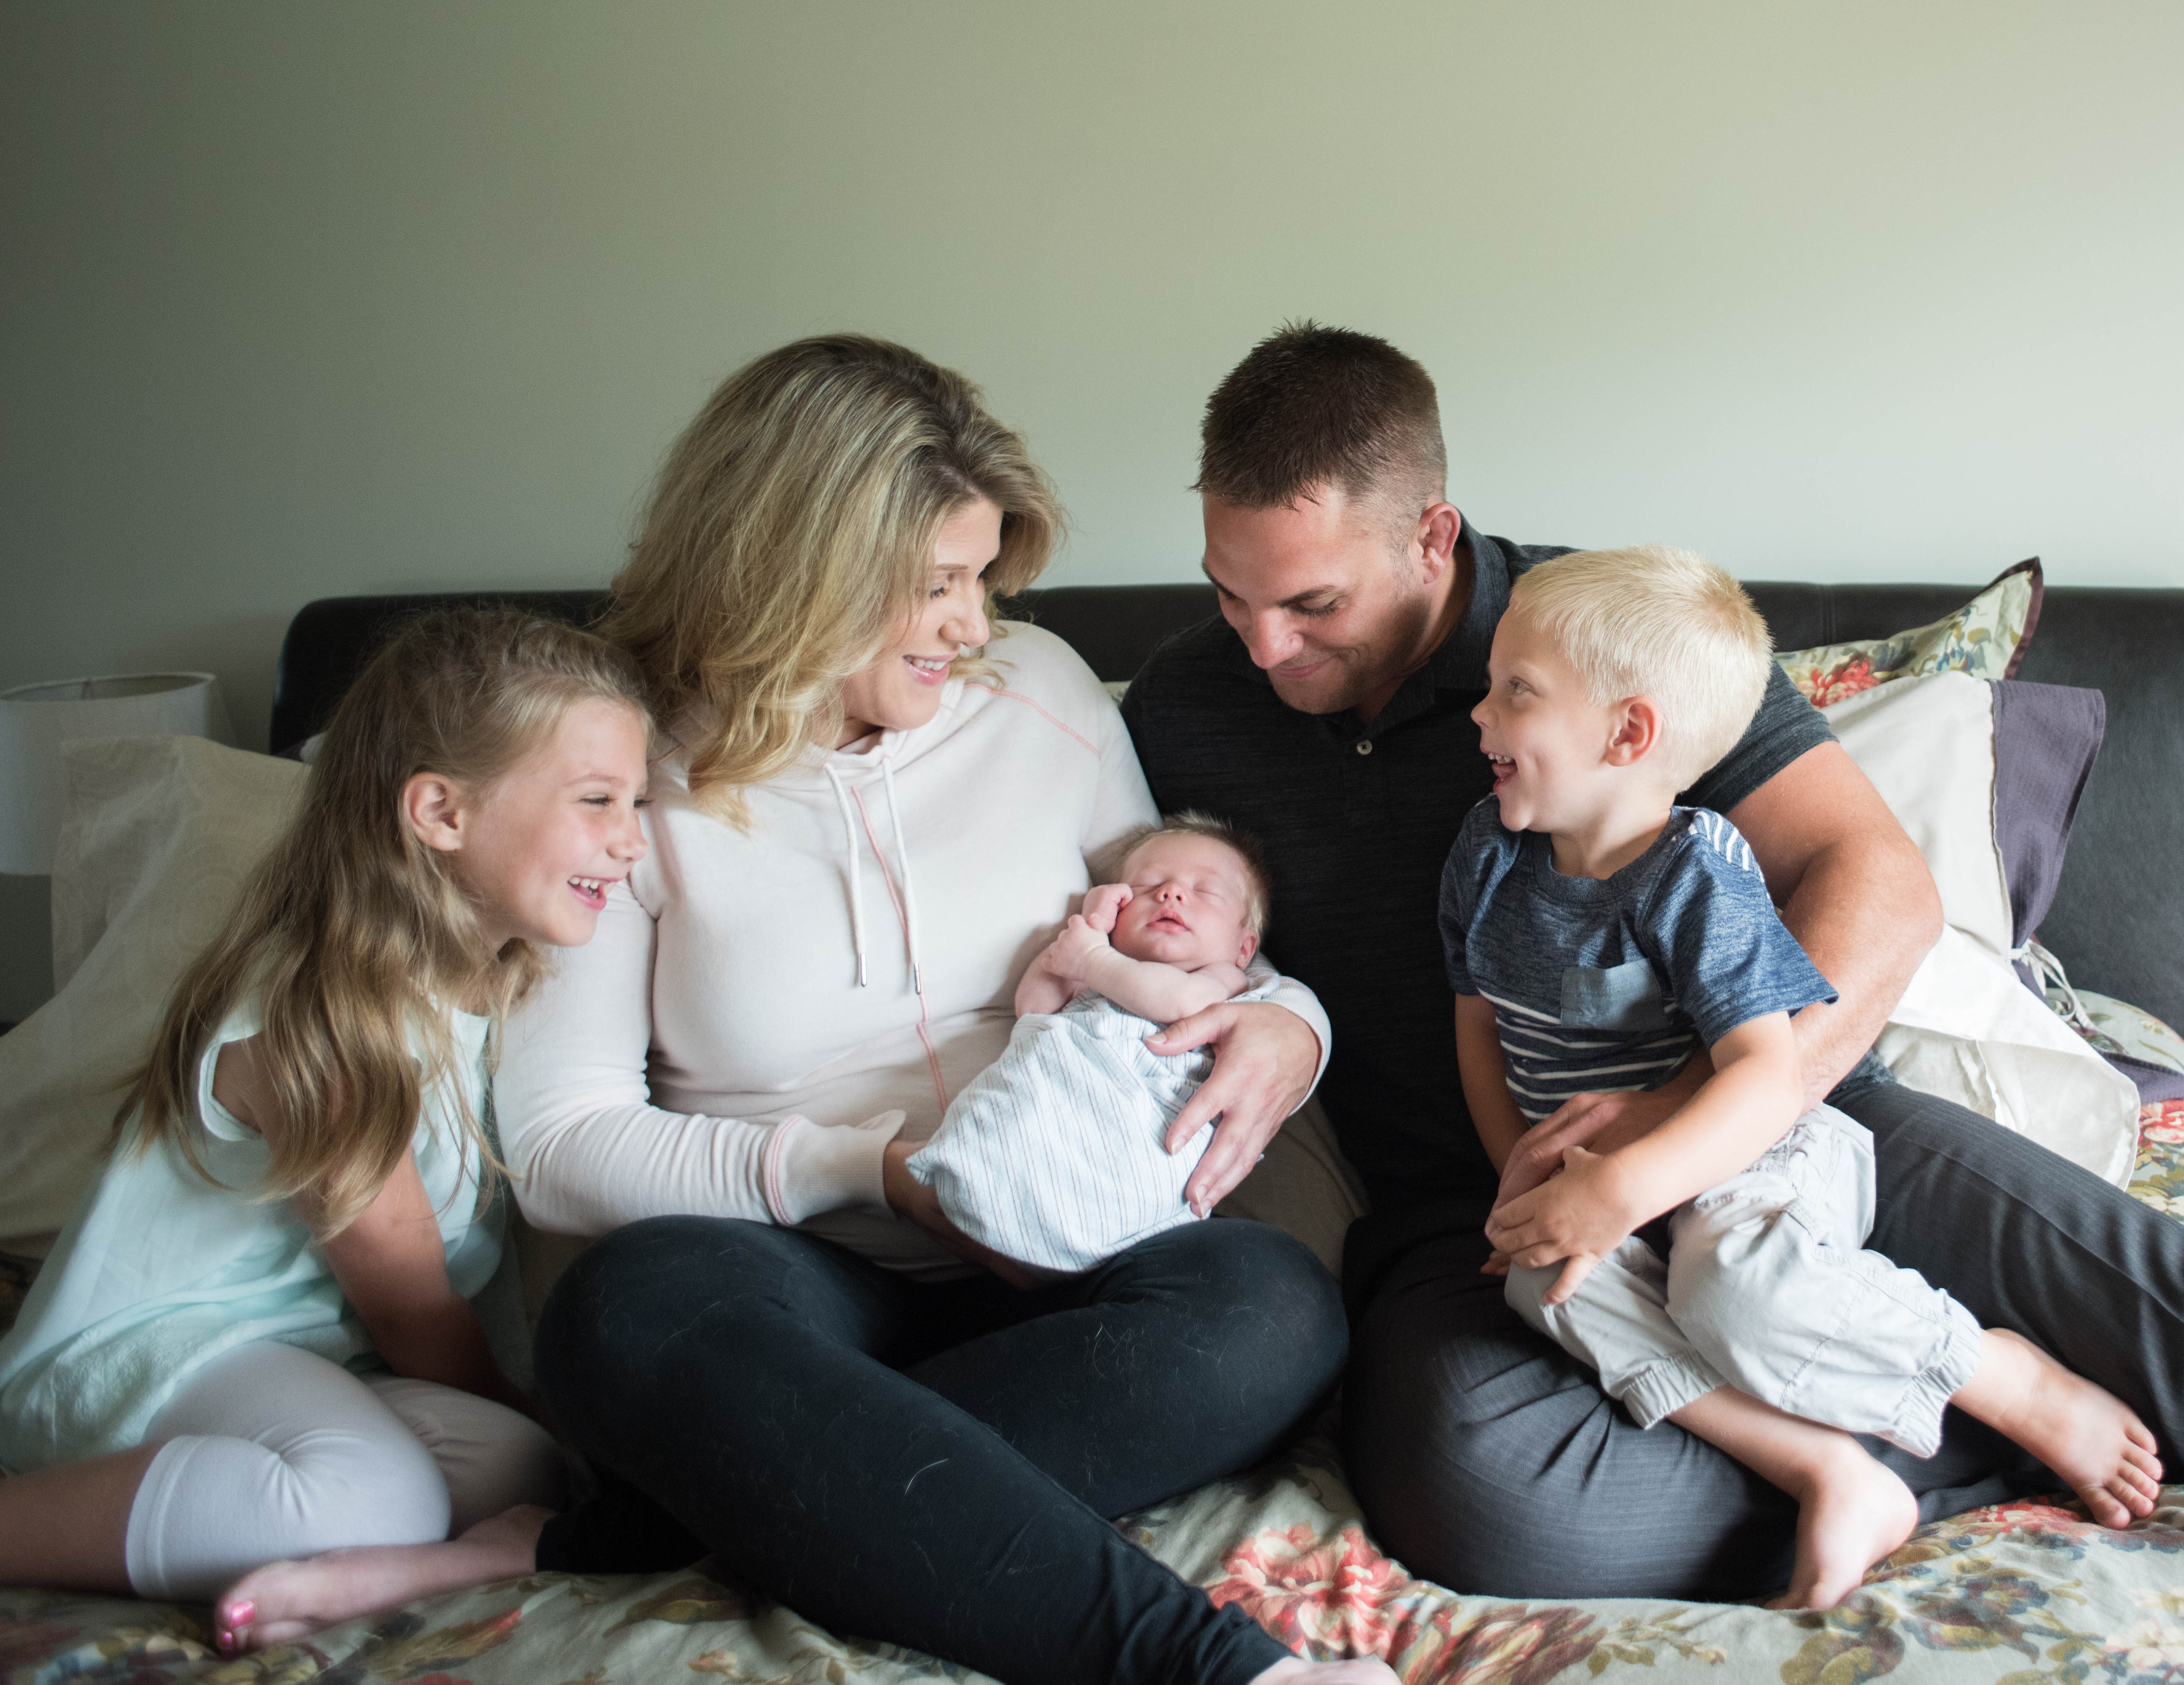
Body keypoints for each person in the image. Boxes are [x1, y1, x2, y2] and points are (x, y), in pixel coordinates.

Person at [1121, 323, 2184, 1685]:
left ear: (1429, 532)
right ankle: (1932, 1429)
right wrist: (1273, 1006)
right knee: (1483, 1492)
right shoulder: (1186, 705)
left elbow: (1876, 885)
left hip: (1796, 1125)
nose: (1262, 646)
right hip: (1481, 1201)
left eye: (1311, 602)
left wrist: (1692, 1130)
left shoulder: (1605, 638)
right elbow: (1130, 910)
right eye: (1227, 593)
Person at [224, 339, 1393, 1685]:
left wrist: (1292, 1020)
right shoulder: (619, 766)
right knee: (624, 1313)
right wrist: (871, 1172)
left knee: (1273, 1307)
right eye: (938, 585)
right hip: (785, 1286)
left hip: (1061, 1261)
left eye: (983, 579)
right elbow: (557, 1143)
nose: (974, 625)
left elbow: (1189, 916)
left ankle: (616, 1533)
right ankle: (1221, 1673)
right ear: (798, 574)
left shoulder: (1042, 692)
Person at [1446, 546, 2161, 1609]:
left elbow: (1765, 1075)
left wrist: (1626, 1186)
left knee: (1732, 1284)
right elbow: (1476, 1027)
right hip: (1604, 1183)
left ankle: (1995, 1372)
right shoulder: (1487, 852)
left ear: (1627, 733)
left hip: (1755, 1148)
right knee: (1538, 1281)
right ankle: (1828, 1468)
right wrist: (1527, 1180)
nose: (1478, 713)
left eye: (1514, 690)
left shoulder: (1697, 870)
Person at [0, 609, 646, 1652]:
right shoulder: (324, 1020)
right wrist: (568, 1433)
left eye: (638, 801)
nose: (632, 838)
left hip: (302, 1358)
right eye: (597, 800)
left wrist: (553, 1440)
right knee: (378, 1492)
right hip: (154, 1353)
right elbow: (414, 1311)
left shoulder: (494, 985)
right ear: (439, 810)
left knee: (515, 1466)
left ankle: (338, 1523)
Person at [910, 814, 1310, 1278]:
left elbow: (1179, 1003)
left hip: (1136, 1147)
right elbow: (1034, 1008)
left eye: (1205, 892)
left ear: (1243, 948)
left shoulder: (1225, 981)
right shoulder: (1099, 962)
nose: (1171, 893)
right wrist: (1092, 928)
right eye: (1147, 887)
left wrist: (1093, 960)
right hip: (1049, 1116)